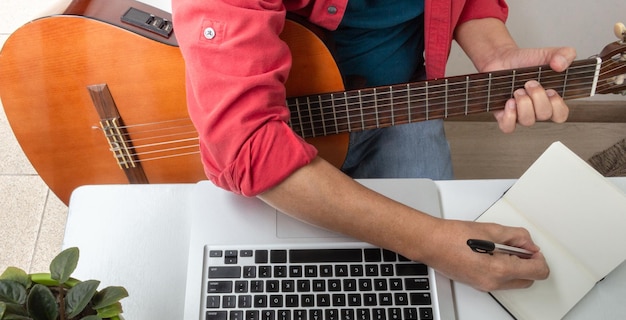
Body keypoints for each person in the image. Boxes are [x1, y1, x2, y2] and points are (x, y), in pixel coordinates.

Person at [172, 0, 576, 291]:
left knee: (428, 296)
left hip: (401, 104)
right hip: (282, 131)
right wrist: (433, 242)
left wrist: (496, 52)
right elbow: (250, 148)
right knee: (275, 289)